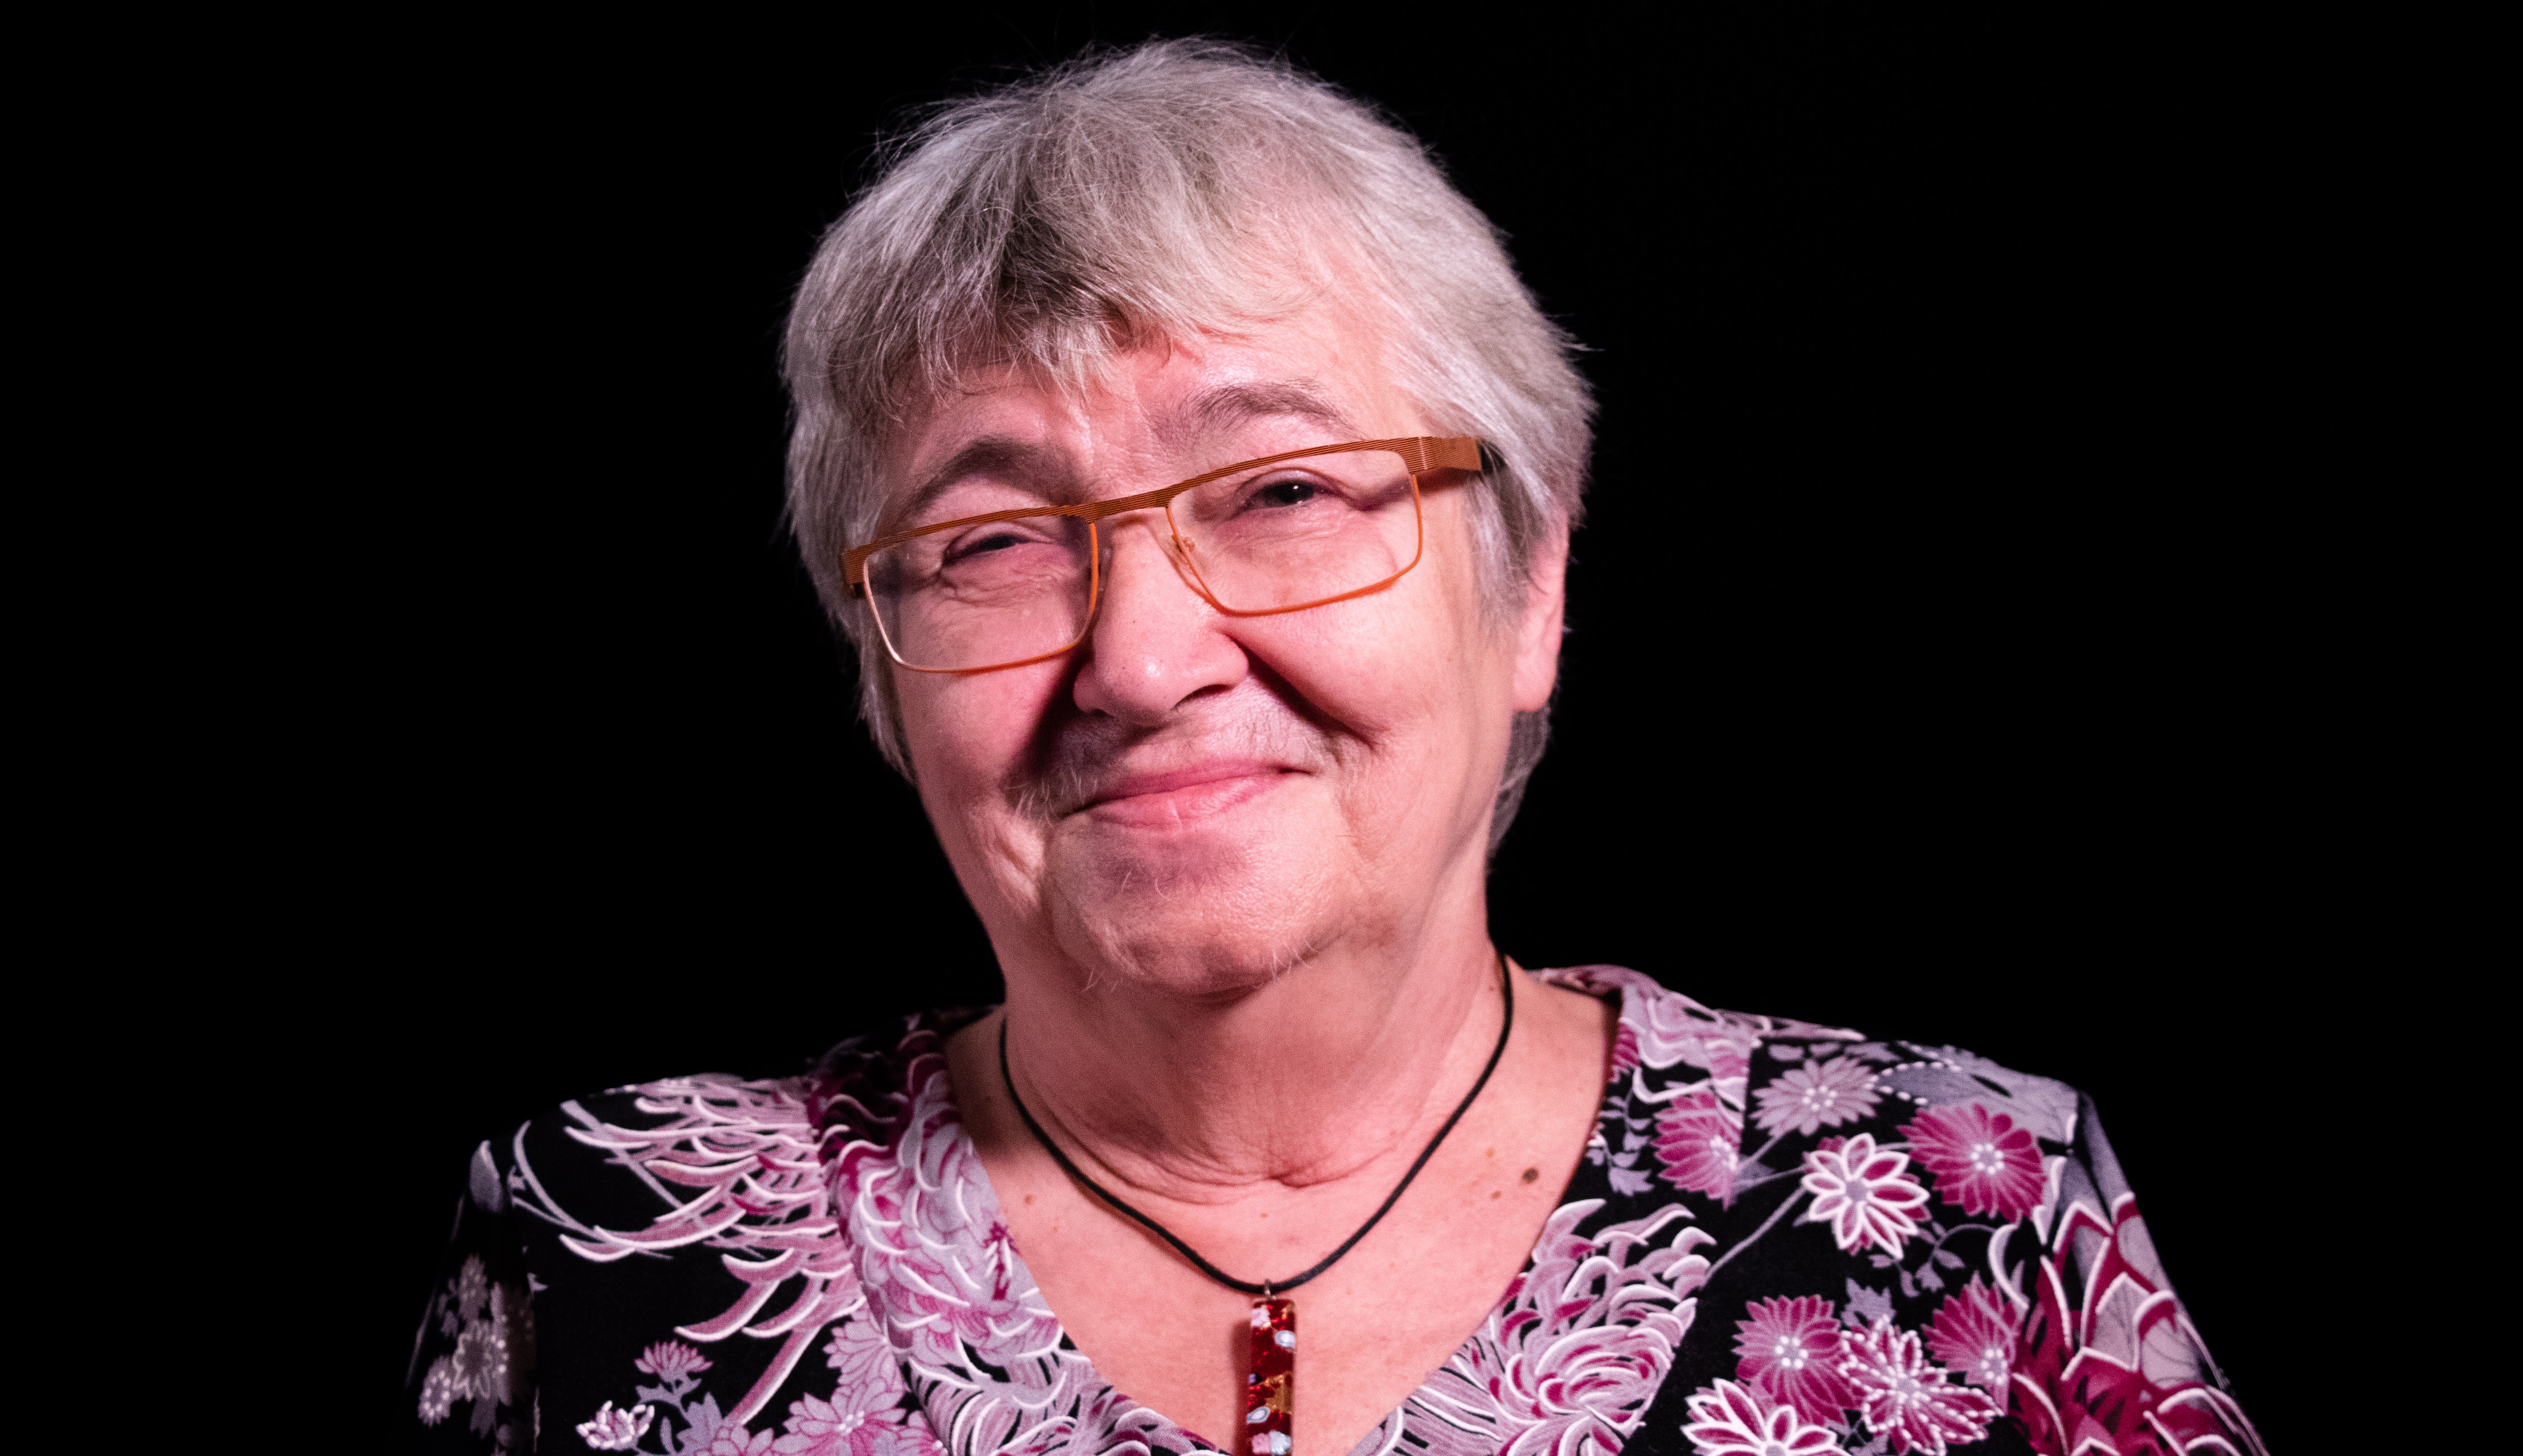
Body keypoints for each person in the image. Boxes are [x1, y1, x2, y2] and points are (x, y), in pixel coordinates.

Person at [407, 41, 2263, 1456]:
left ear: (1528, 579)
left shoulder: (1966, 1209)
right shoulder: (600, 1250)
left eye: (1283, 491)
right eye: (993, 543)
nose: (1141, 661)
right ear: (882, 673)